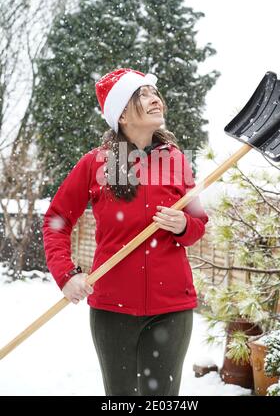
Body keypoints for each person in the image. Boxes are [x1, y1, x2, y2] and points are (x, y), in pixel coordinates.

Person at [43, 68, 208, 396]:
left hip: (171, 309)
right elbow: (56, 220)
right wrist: (66, 274)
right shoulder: (95, 164)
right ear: (121, 113)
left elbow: (198, 225)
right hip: (112, 310)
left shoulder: (175, 161)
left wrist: (184, 225)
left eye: (155, 93)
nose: (155, 99)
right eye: (143, 95)